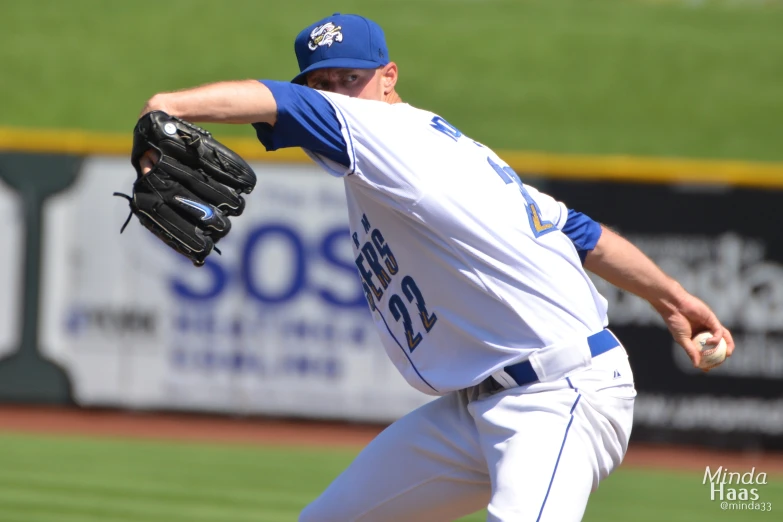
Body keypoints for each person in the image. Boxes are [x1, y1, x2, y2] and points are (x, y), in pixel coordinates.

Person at [137, 13, 735, 522]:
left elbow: (283, 100)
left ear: (389, 77)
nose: (337, 94)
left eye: (350, 78)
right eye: (324, 82)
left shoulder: (386, 133)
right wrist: (672, 298)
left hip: (560, 394)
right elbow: (578, 233)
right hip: (475, 408)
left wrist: (167, 107)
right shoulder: (448, 150)